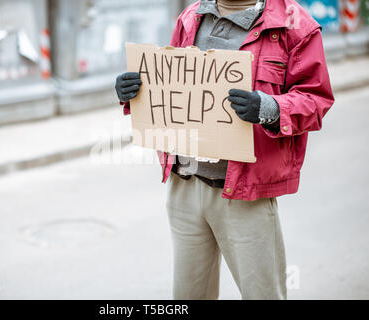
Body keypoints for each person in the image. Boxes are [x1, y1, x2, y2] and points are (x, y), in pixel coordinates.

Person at [115, 0, 334, 300]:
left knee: (263, 295)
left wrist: (268, 108)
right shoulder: (191, 17)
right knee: (189, 297)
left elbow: (315, 98)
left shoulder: (294, 24)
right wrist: (134, 93)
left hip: (246, 196)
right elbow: (174, 88)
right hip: (185, 189)